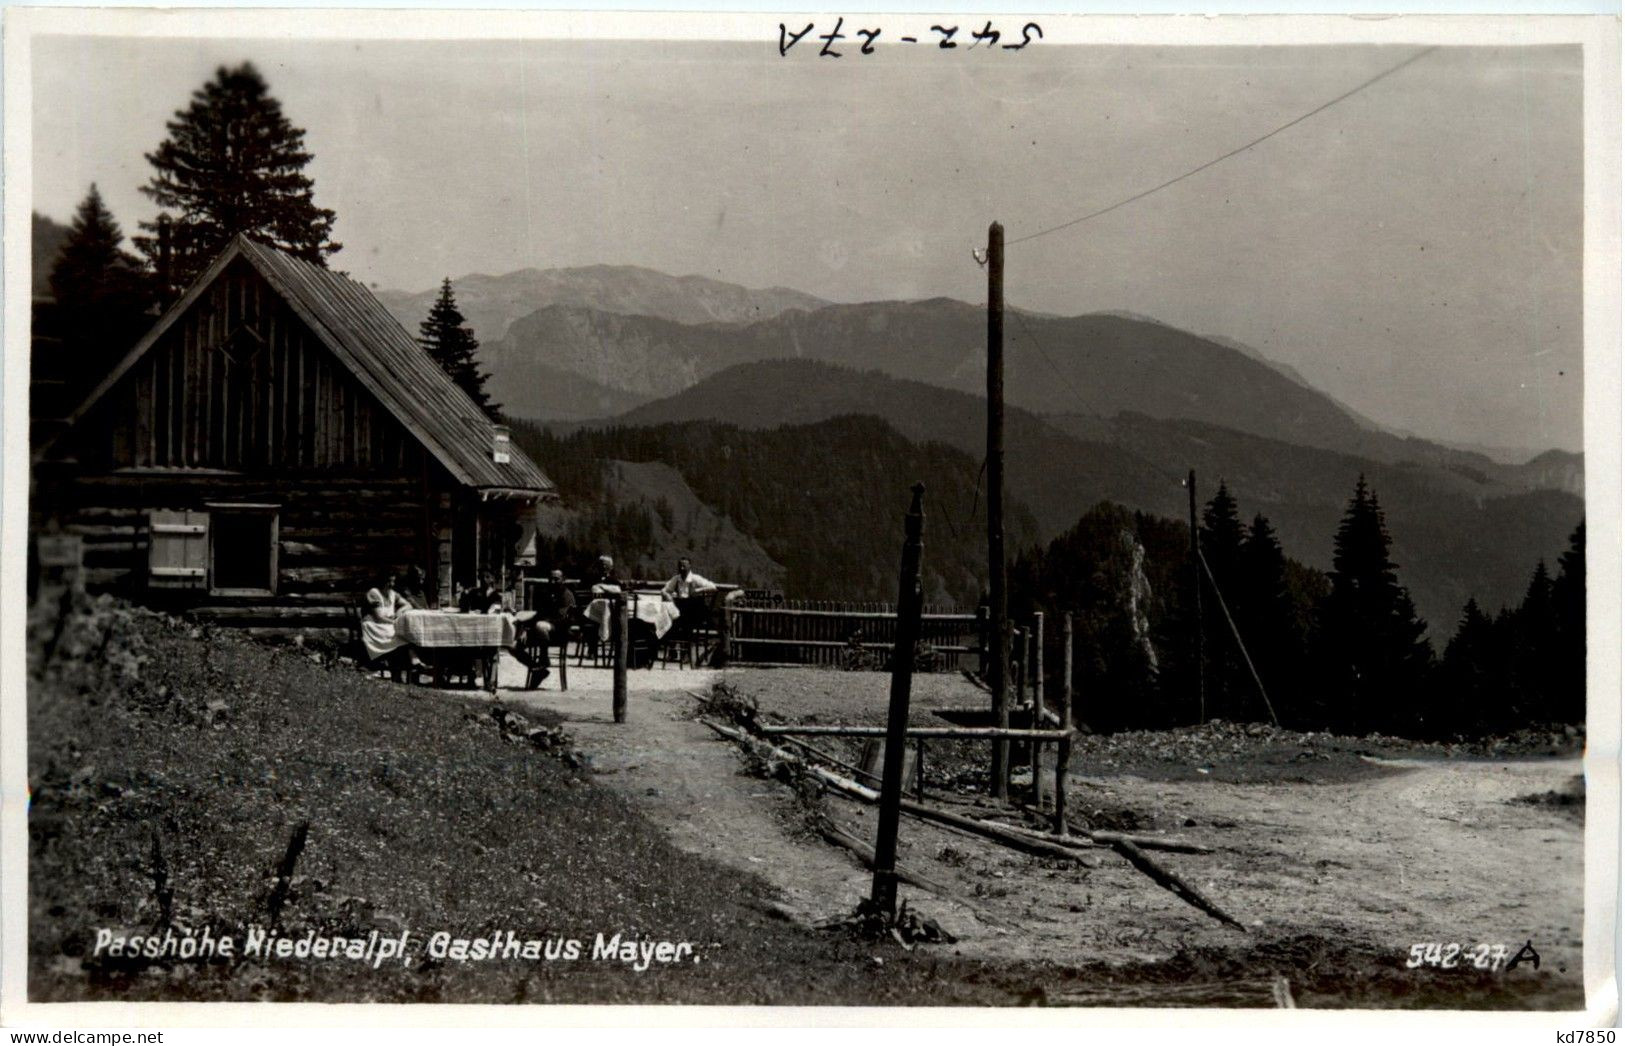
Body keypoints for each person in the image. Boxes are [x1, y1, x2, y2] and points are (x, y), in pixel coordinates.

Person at [513, 569, 576, 684]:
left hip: (558, 633)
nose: (552, 582)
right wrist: (525, 629)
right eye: (551, 579)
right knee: (512, 645)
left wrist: (541, 622)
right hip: (541, 632)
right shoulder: (546, 594)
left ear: (563, 580)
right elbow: (538, 615)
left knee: (540, 625)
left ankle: (544, 659)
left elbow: (562, 619)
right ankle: (537, 668)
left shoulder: (567, 595)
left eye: (556, 579)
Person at [361, 570, 415, 665]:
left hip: (386, 623)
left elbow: (408, 605)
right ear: (382, 581)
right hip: (373, 625)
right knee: (398, 631)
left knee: (403, 631)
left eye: (393, 581)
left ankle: (412, 659)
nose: (392, 584)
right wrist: (394, 622)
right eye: (389, 581)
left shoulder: (392, 594)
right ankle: (410, 659)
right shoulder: (374, 593)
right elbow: (379, 617)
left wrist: (399, 611)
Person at [662, 557, 717, 642]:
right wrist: (668, 597)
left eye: (684, 566)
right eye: (680, 566)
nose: (682, 568)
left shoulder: (695, 578)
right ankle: (674, 649)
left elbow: (713, 587)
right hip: (681, 610)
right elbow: (665, 590)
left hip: (694, 612)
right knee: (671, 619)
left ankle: (684, 648)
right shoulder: (676, 579)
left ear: (689, 566)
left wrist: (699, 590)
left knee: (681, 621)